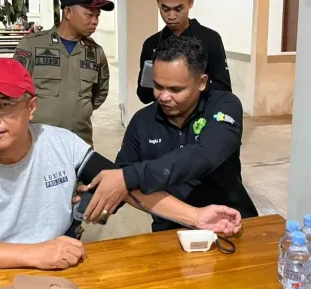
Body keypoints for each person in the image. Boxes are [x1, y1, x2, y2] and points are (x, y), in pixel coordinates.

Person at [0, 58, 242, 270]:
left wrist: (196, 216)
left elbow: (125, 186)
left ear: (31, 107)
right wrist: (35, 254)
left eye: (4, 105)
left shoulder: (62, 145)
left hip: (62, 264)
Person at [80, 35, 258, 232]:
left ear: (201, 82)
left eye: (175, 89)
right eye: (158, 86)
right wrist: (96, 196)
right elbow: (123, 183)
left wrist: (129, 176)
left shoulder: (224, 106)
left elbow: (204, 155)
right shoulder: (142, 122)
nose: (163, 97)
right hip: (171, 228)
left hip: (230, 223)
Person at [12, 0, 111, 147]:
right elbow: (14, 89)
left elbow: (100, 93)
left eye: (97, 16)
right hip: (38, 142)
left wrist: (79, 110)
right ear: (68, 12)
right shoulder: (32, 45)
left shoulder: (95, 52)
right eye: (89, 15)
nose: (95, 21)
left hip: (79, 142)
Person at [136, 0, 232, 105]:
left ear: (190, 2)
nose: (171, 16)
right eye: (165, 9)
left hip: (201, 115)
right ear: (158, 2)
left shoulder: (210, 40)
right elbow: (143, 96)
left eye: (178, 9)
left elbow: (224, 90)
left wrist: (189, 85)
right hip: (163, 115)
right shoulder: (151, 44)